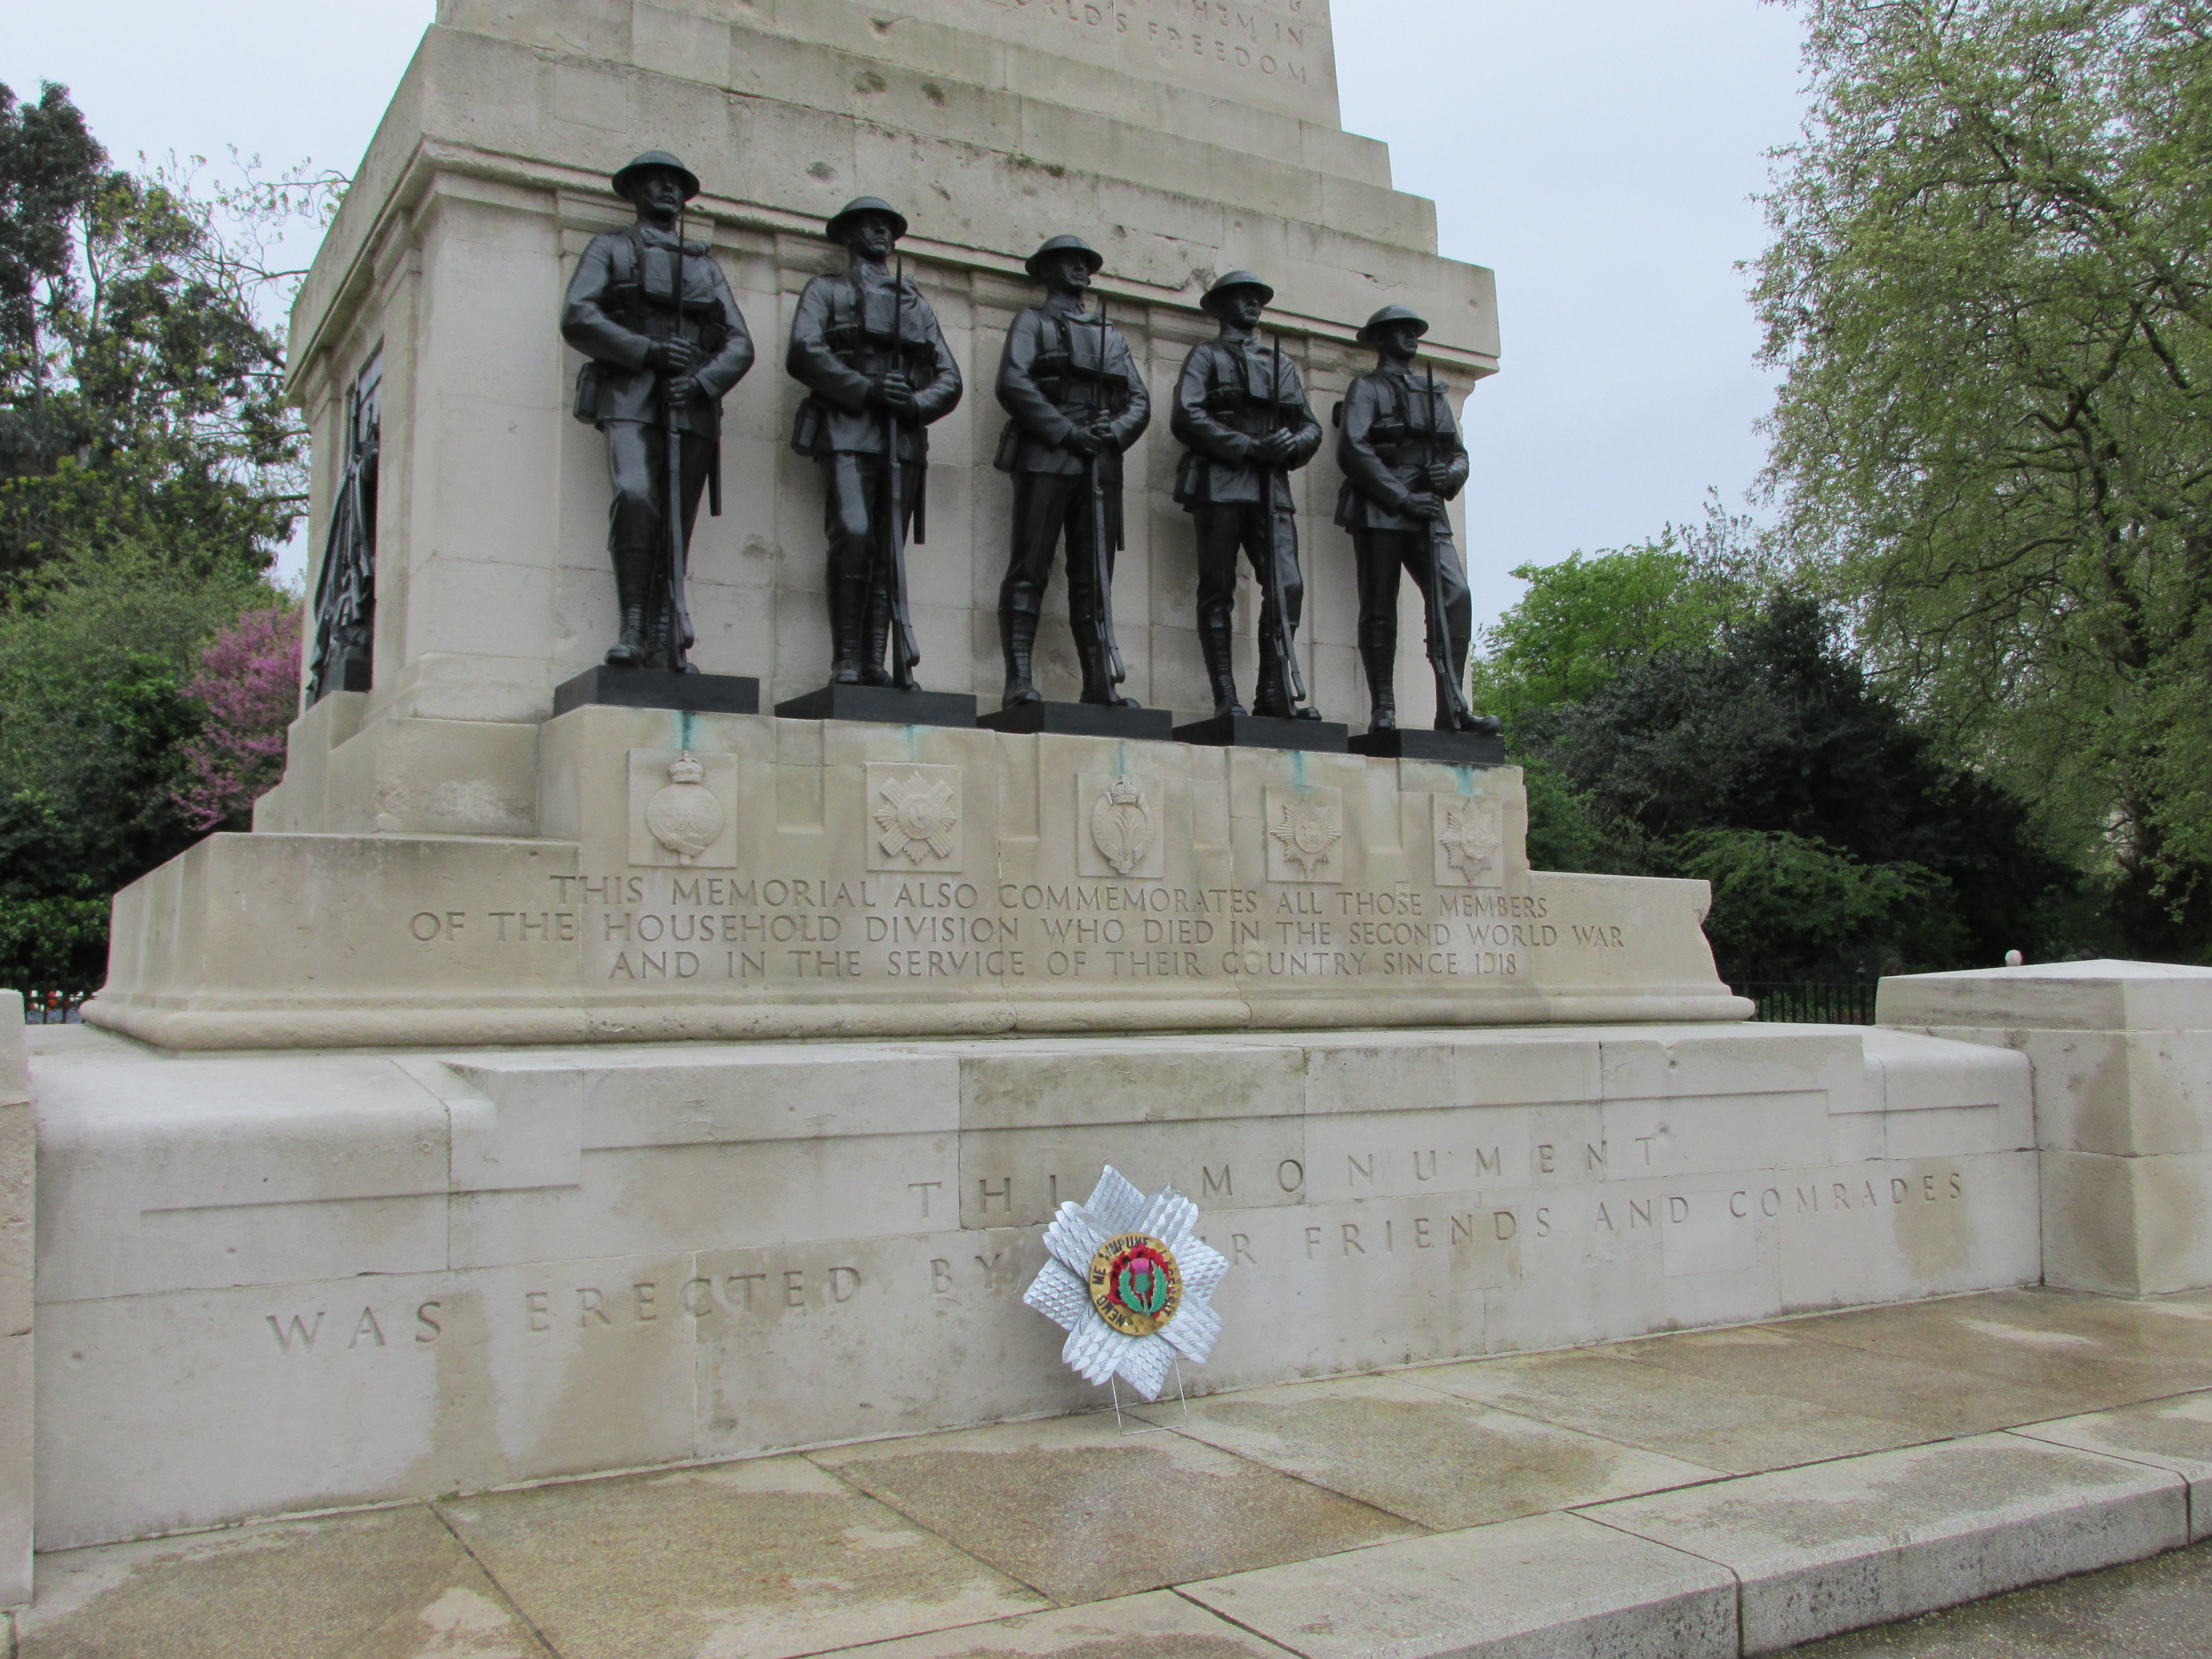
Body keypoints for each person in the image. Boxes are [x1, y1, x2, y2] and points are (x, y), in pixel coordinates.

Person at [561, 151, 754, 670]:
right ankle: (633, 626)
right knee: (637, 497)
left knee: (676, 522)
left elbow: (740, 343)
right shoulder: (610, 248)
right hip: (629, 396)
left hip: (689, 406)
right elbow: (578, 315)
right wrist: (646, 351)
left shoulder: (703, 265)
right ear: (636, 191)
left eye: (676, 184)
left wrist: (700, 382)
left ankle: (666, 634)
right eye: (656, 182)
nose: (668, 191)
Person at [786, 196, 962, 688]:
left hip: (901, 438)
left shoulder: (915, 303)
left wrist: (914, 403)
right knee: (854, 534)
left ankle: (876, 661)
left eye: (887, 226)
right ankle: (845, 656)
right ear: (848, 234)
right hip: (846, 428)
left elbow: (949, 376)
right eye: (869, 225)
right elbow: (803, 351)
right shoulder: (826, 289)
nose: (880, 233)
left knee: (889, 550)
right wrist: (865, 389)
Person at [992, 233, 1152, 708]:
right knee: (1030, 566)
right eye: (1068, 262)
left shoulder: (1111, 334)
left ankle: (1098, 682)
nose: (1080, 269)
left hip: (1100, 459)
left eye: (1085, 262)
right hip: (1047, 453)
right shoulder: (1032, 322)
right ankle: (1019, 679)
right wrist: (1066, 431)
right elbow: (1014, 382)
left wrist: (1115, 431)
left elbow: (1139, 400)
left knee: (1094, 576)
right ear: (1047, 271)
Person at [1334, 303, 1497, 733]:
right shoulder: (1366, 389)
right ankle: (1383, 707)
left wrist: (1449, 476)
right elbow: (1353, 448)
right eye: (1399, 330)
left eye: (1413, 330)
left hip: (1429, 507)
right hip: (1382, 506)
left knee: (1455, 595)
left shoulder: (1432, 393)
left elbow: (1458, 455)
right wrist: (1402, 497)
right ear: (1380, 338)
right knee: (1380, 607)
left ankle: (1452, 705)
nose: (1410, 336)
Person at [1169, 271, 1323, 720]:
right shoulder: (1206, 356)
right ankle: (1225, 698)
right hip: (1222, 479)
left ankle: (1272, 693)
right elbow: (1187, 415)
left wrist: (1292, 446)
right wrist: (1246, 446)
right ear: (1220, 307)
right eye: (1242, 297)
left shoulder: (1280, 362)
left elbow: (1310, 426)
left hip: (1271, 484)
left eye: (1257, 297)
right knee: (1217, 589)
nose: (1253, 303)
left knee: (1287, 584)